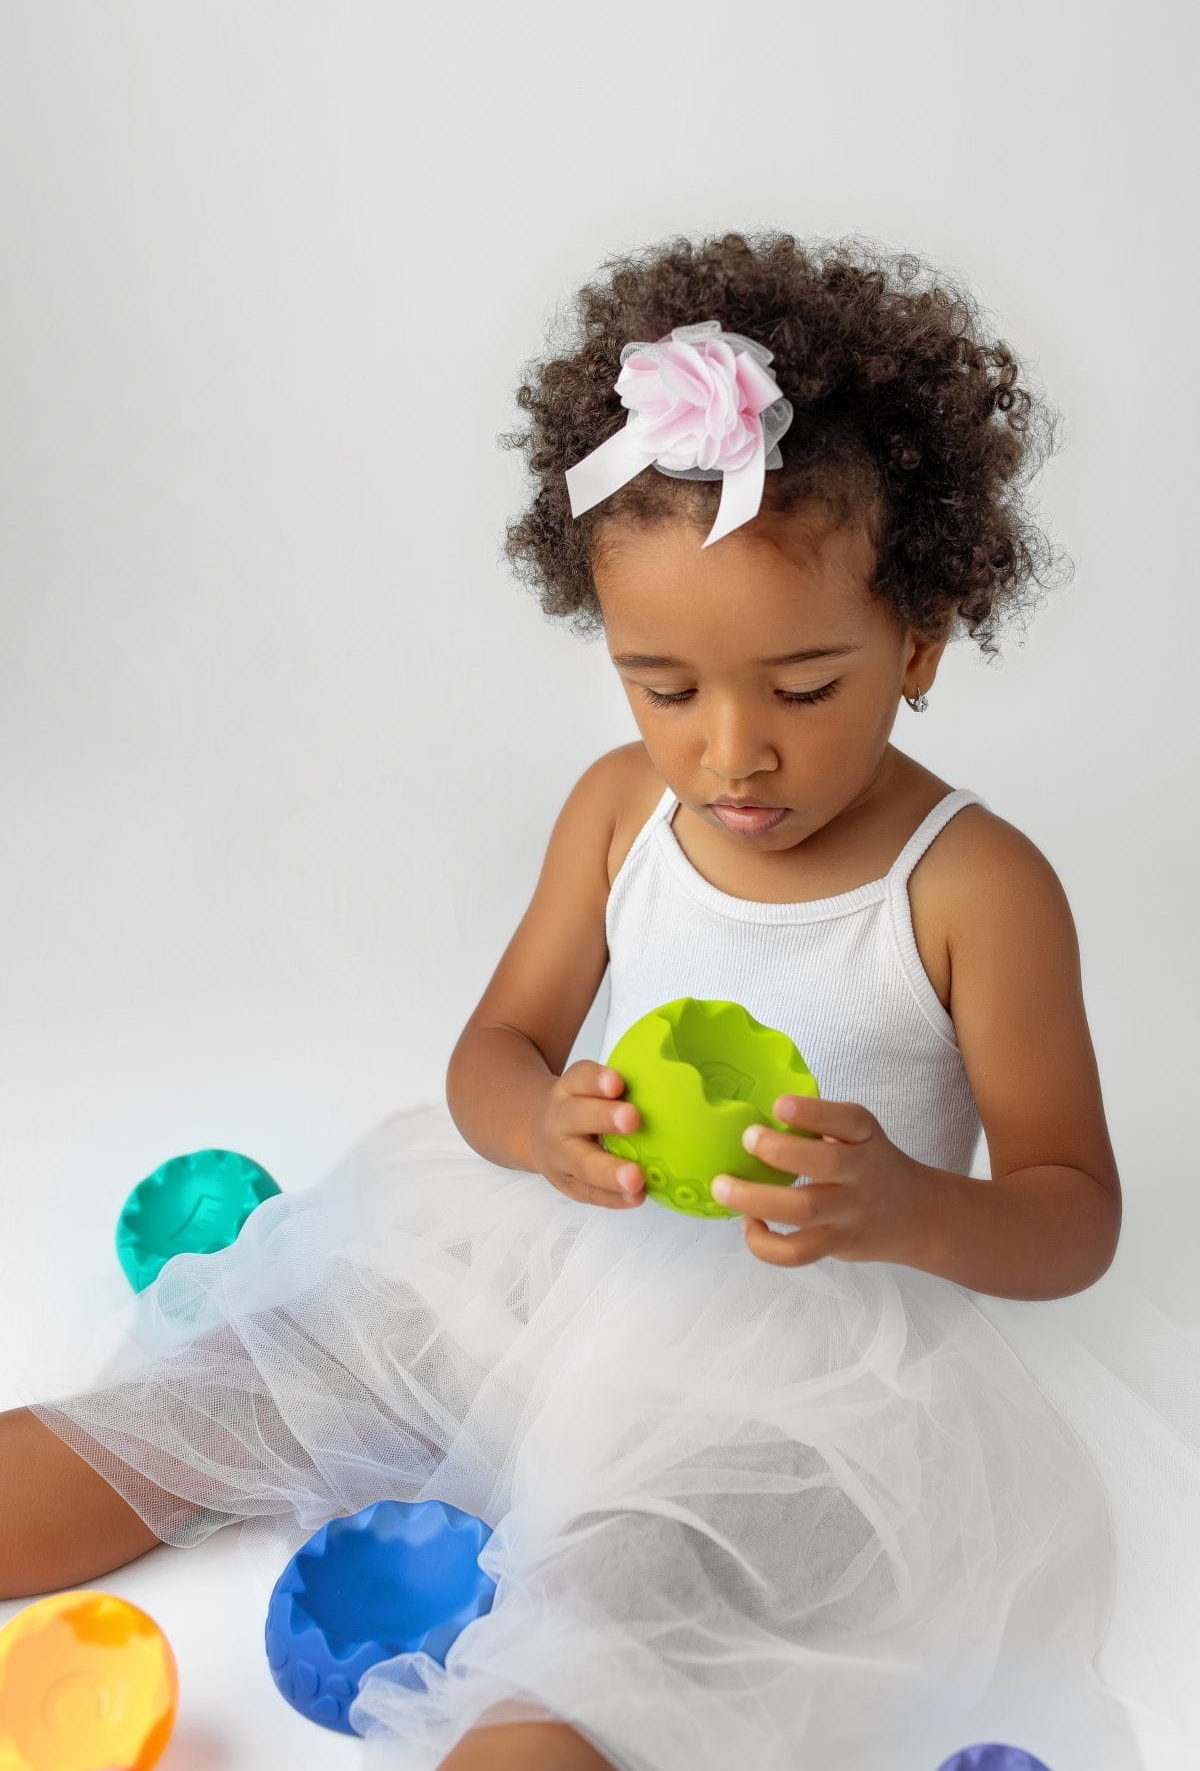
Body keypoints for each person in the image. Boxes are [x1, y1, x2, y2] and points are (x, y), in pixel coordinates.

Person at [2, 230, 1198, 1771]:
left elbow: (1070, 1214)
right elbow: (492, 1055)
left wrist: (904, 1204)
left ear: (918, 641)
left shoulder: (974, 888)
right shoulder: (621, 810)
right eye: (666, 686)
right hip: (543, 1271)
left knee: (637, 1604)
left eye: (805, 687)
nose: (730, 753)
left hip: (801, 1370)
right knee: (259, 1378)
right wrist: (541, 1128)